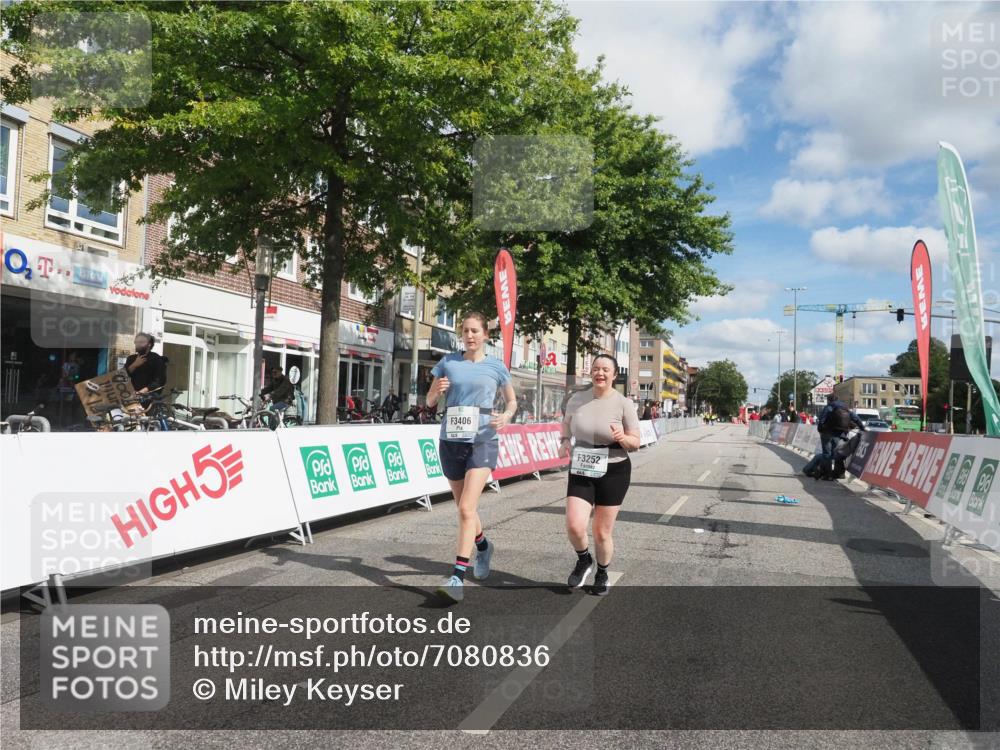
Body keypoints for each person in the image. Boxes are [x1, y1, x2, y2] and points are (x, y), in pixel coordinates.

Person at [427, 312, 516, 603]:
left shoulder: (496, 366)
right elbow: (429, 401)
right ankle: (484, 546)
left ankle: (457, 577)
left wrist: (506, 415)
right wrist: (436, 392)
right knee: (464, 509)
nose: (469, 335)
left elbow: (512, 401)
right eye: (465, 330)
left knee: (467, 507)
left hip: (483, 440)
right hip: (451, 441)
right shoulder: (447, 363)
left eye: (475, 330)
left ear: (485, 335)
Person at [560, 354, 641, 596]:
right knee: (575, 525)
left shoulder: (624, 403)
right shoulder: (576, 399)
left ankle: (602, 572)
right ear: (591, 372)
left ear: (614, 375)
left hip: (614, 469)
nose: (600, 373)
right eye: (596, 368)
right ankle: (584, 559)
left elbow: (636, 442)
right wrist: (565, 440)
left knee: (601, 532)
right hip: (582, 465)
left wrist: (622, 438)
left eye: (606, 369)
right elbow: (566, 423)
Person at [803, 394, 865, 478]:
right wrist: (862, 428)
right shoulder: (845, 408)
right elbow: (856, 418)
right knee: (835, 454)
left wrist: (820, 430)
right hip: (838, 434)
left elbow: (822, 419)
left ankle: (827, 475)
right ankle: (837, 473)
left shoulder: (829, 407)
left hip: (827, 433)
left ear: (829, 400)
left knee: (826, 454)